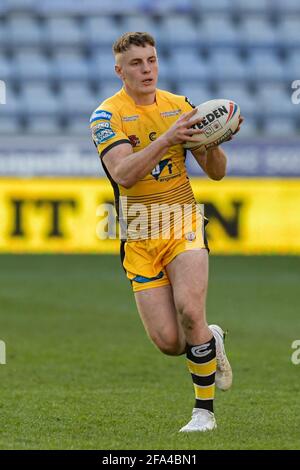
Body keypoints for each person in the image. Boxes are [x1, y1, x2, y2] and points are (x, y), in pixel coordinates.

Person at [90, 32, 243, 432]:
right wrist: (169, 139)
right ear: (119, 70)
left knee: (190, 310)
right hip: (139, 232)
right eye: (137, 63)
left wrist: (215, 140)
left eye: (152, 60)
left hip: (182, 221)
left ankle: (203, 413)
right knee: (171, 343)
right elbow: (123, 174)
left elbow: (217, 172)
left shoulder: (180, 107)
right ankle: (209, 337)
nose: (147, 69)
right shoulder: (106, 116)